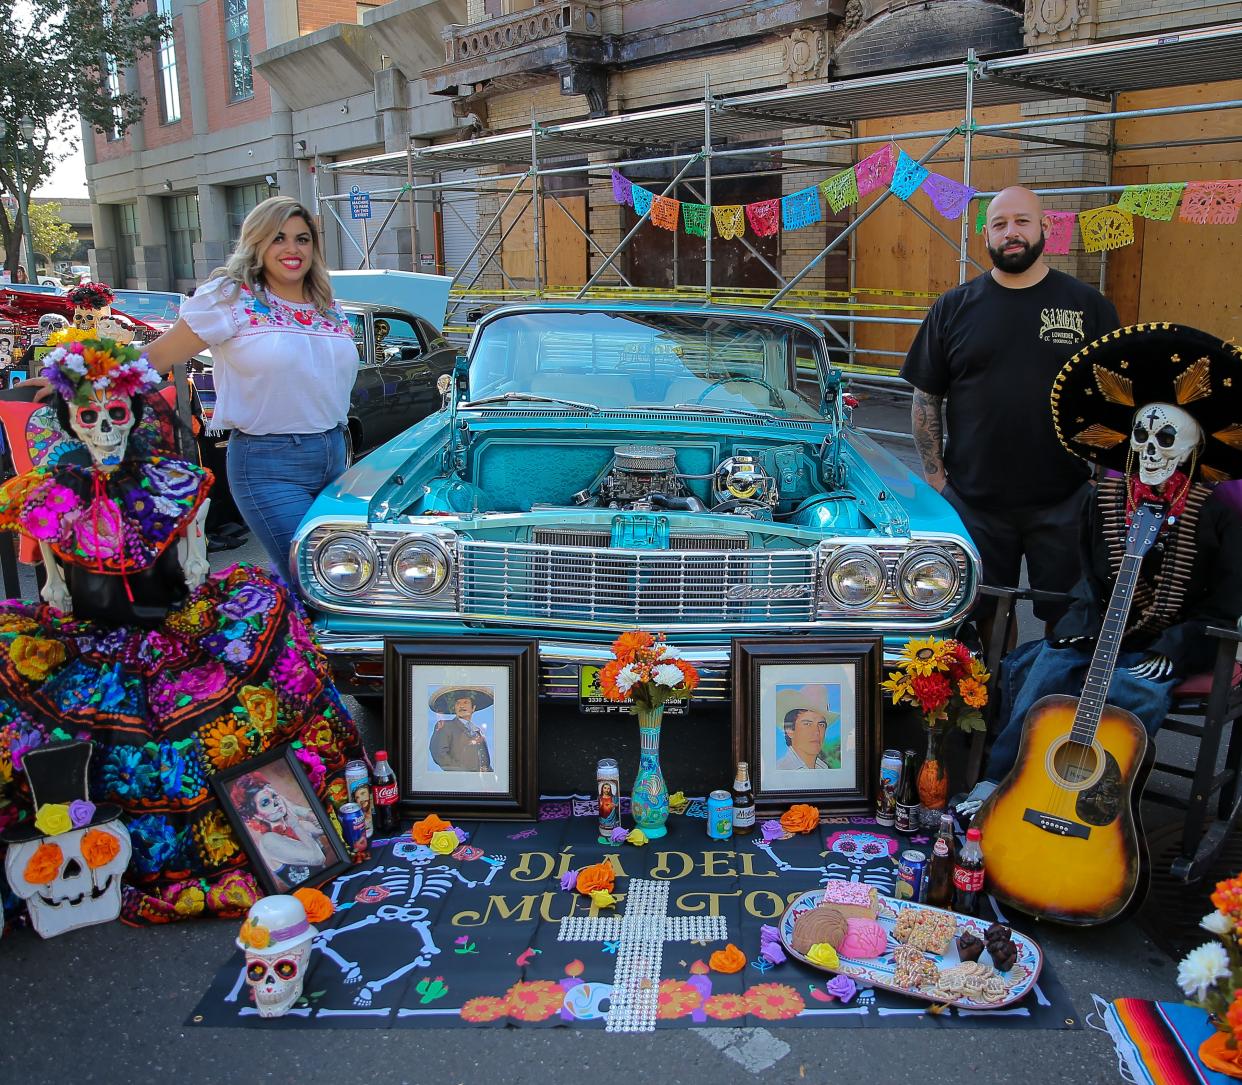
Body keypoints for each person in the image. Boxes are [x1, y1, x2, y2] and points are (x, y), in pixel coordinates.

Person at [958, 323, 1242, 814]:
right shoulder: (1106, 499)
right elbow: (1090, 577)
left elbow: (1225, 602)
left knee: (1136, 691)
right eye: (1142, 436)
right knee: (1045, 669)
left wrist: (1175, 649)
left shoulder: (1215, 513)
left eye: (1167, 438)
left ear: (1194, 448)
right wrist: (1081, 624)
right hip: (1104, 630)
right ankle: (1000, 779)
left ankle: (1097, 798)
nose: (1150, 451)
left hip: (1165, 644)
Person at [901, 185, 1120, 633]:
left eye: (1021, 221)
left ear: (1045, 228)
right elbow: (927, 399)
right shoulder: (953, 308)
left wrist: (1101, 472)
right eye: (999, 224)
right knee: (982, 621)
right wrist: (936, 477)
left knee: (1071, 619)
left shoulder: (1088, 307)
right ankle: (994, 699)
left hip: (1064, 500)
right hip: (975, 501)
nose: (1011, 232)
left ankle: (1055, 698)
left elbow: (1114, 396)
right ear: (986, 237)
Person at [140, 196, 357, 582]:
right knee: (316, 579)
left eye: (302, 239)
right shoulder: (231, 298)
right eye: (278, 238)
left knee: (344, 577)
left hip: (334, 456)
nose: (292, 249)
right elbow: (156, 356)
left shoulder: (326, 305)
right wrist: (74, 374)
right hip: (268, 463)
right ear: (257, 243)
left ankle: (292, 638)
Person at [235, 777, 332, 889]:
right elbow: (318, 858)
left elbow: (325, 829)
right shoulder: (269, 840)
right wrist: (295, 825)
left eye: (275, 796)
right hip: (308, 897)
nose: (276, 803)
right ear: (256, 815)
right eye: (265, 802)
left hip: (329, 883)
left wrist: (295, 808)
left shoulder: (298, 827)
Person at [428, 688, 494, 772]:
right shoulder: (445, 726)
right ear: (454, 708)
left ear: (473, 708)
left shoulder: (478, 731)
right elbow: (439, 754)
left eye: (466, 702)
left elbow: (484, 760)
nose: (461, 706)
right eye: (458, 703)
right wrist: (461, 773)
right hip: (459, 781)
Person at [773, 687, 838, 771]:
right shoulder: (781, 770)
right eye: (807, 724)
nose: (817, 732)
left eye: (821, 724)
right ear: (790, 730)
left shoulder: (824, 768)